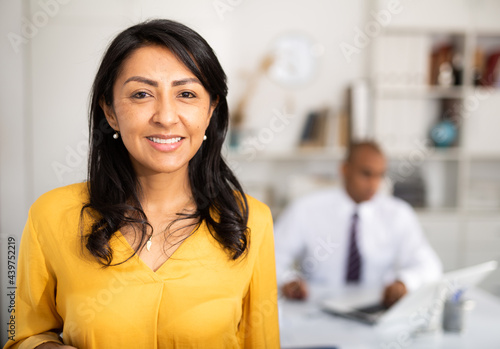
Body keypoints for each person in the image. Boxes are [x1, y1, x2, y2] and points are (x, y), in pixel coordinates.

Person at [5, 19, 279, 349]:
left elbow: (261, 342)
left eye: (187, 94)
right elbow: (22, 334)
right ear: (109, 111)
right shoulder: (50, 215)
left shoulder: (250, 221)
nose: (165, 116)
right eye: (142, 94)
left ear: (210, 110)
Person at [274, 141, 442, 307]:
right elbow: (270, 258)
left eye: (380, 175)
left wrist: (404, 282)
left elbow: (430, 266)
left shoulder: (398, 214)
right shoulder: (306, 209)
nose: (374, 184)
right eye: (366, 174)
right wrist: (288, 280)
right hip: (315, 307)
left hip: (376, 307)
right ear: (345, 170)